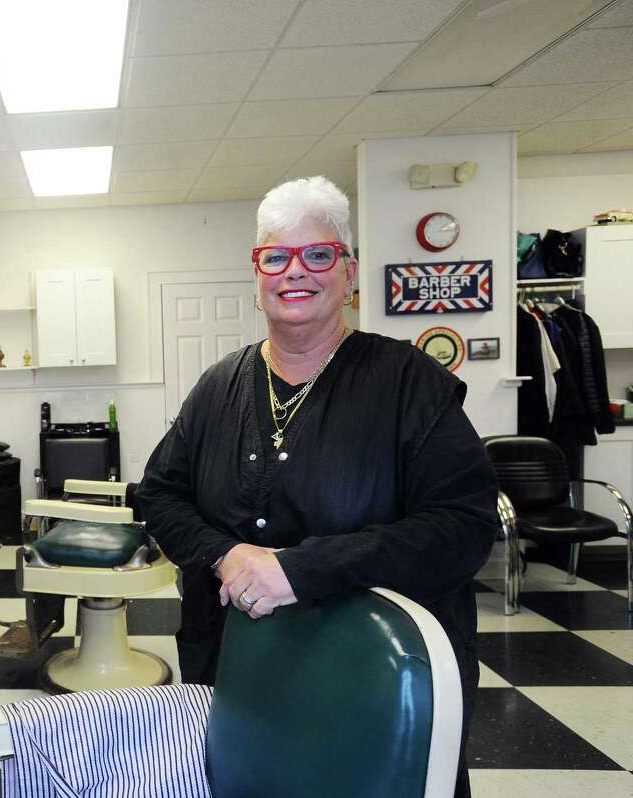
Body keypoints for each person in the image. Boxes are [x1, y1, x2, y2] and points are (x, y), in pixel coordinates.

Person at [136, 176, 497, 797]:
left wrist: (302, 570)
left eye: (318, 254)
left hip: (369, 684)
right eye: (275, 256)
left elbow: (463, 528)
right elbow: (158, 494)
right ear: (257, 277)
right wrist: (228, 555)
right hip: (231, 670)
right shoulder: (218, 386)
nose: (293, 271)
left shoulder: (409, 384)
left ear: (349, 274)